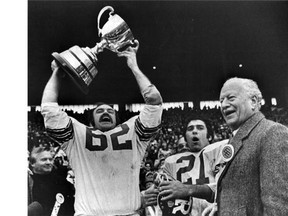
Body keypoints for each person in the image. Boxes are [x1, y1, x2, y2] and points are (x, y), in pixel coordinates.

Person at [41, 40, 163, 216]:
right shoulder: (77, 136)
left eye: (110, 110)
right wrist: (58, 72)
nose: (106, 112)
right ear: (91, 122)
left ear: (118, 120)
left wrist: (133, 66)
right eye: (100, 111)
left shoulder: (134, 133)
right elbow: (49, 108)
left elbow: (154, 102)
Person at [213, 77, 288, 215]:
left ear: (253, 102)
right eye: (221, 100)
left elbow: (277, 205)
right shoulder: (237, 138)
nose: (224, 105)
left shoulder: (272, 132)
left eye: (231, 98)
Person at [157, 117, 228, 216]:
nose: (194, 131)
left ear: (210, 136)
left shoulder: (220, 152)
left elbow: (227, 189)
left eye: (200, 128)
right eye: (190, 129)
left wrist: (188, 189)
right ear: (186, 139)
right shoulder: (171, 163)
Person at [28, 145, 75, 216]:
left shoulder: (61, 181)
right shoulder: (29, 182)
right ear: (32, 163)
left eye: (50, 159)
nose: (48, 162)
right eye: (44, 159)